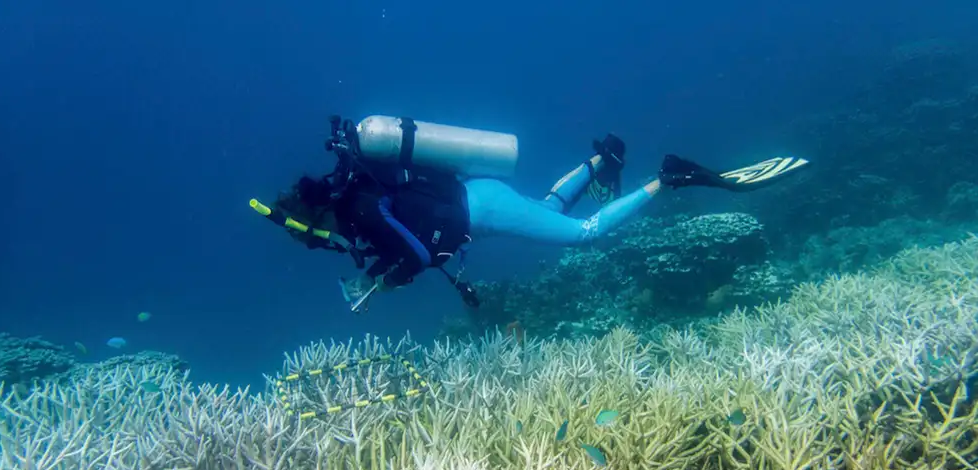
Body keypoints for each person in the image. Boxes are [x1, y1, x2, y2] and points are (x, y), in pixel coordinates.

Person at [268, 116, 809, 313]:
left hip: (479, 208)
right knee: (549, 209)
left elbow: (412, 250)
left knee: (585, 234)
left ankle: (668, 178)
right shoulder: (359, 191)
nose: (321, 241)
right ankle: (604, 157)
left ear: (314, 219)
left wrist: (388, 282)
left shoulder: (359, 208)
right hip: (479, 195)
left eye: (312, 236)